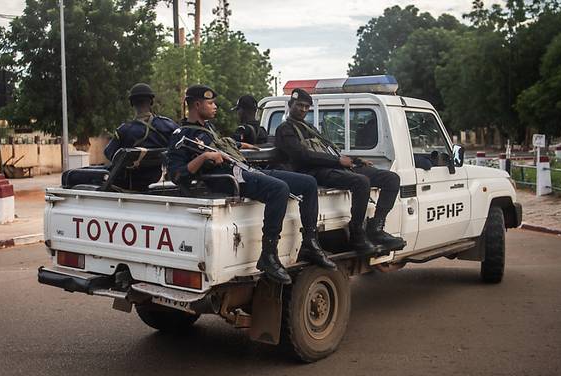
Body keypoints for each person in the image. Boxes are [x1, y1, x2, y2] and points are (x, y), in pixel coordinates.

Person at [167, 85, 335, 284]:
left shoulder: (208, 128)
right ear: (197, 104)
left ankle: (309, 241)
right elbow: (177, 174)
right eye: (210, 103)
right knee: (278, 189)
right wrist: (204, 157)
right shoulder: (181, 134)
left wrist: (239, 144)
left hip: (242, 170)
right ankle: (268, 255)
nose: (215, 107)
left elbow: (220, 144)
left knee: (307, 183)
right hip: (225, 179)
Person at [275, 88, 406, 253]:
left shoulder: (309, 128)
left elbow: (329, 149)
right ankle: (357, 233)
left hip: (331, 165)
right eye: (299, 105)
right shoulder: (285, 129)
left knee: (391, 179)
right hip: (312, 171)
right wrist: (338, 161)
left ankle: (376, 227)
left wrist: (356, 161)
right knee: (361, 182)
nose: (303, 109)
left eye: (306, 107)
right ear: (290, 105)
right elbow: (301, 156)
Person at [104, 83, 178, 189]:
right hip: (157, 179)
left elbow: (109, 153)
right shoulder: (169, 125)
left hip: (129, 183)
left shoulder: (124, 130)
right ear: (151, 102)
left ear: (132, 103)